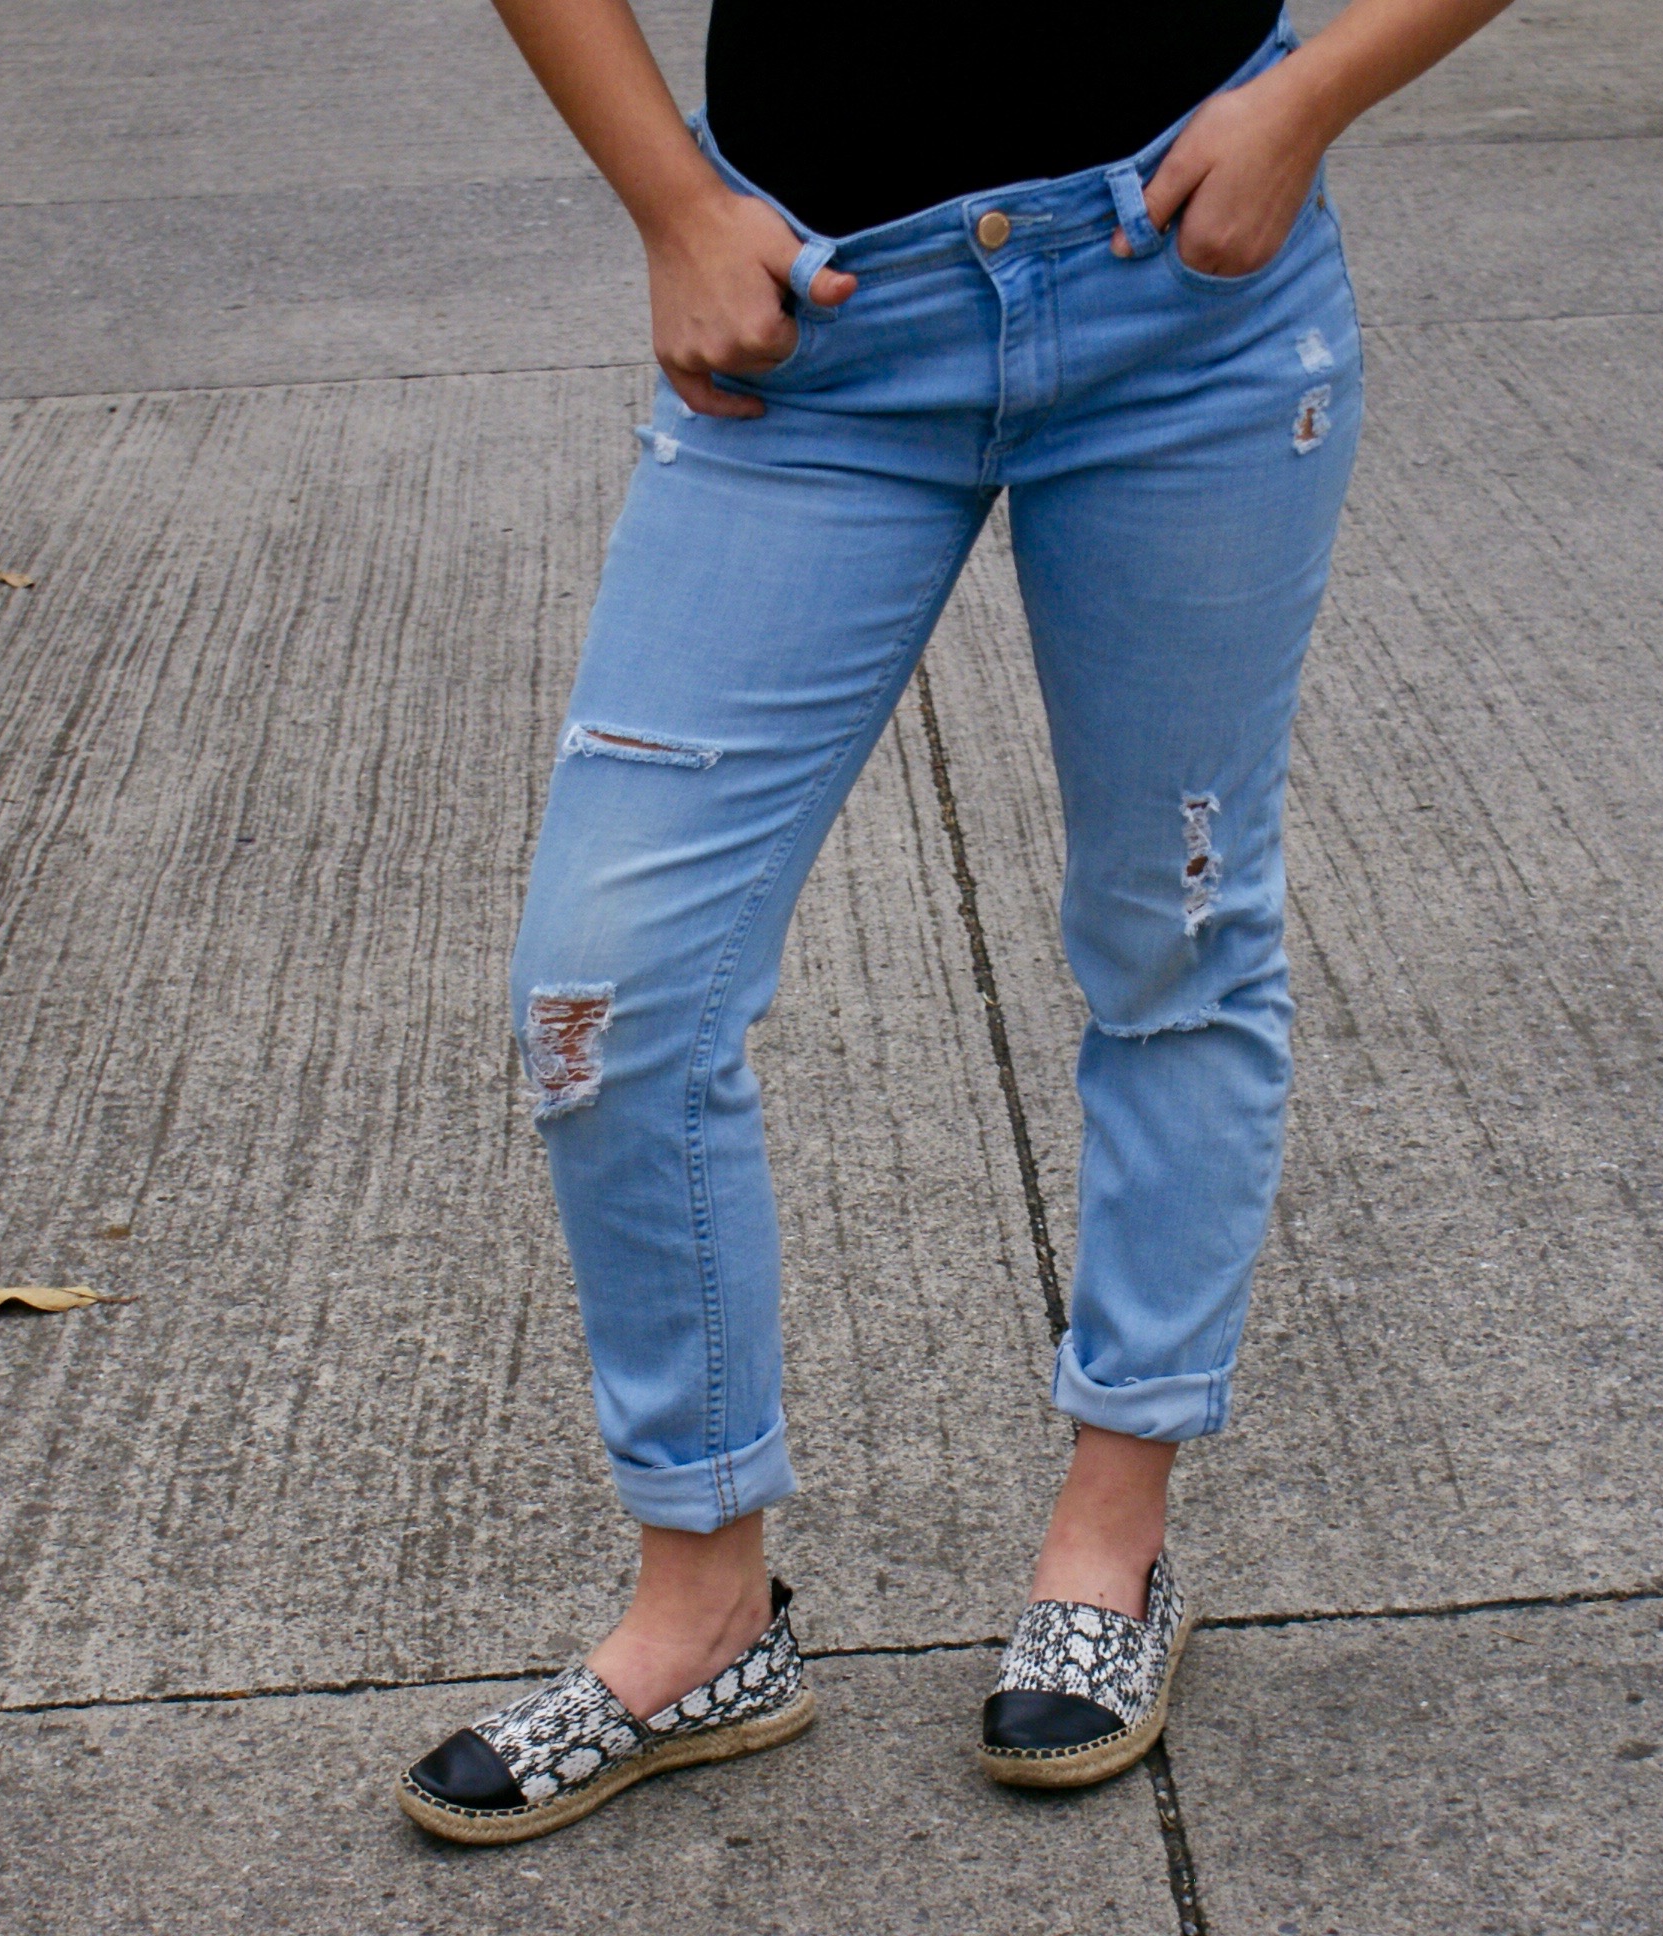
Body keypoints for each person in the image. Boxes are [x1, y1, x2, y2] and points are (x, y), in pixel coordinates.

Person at [399, 0, 1514, 1845]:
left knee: (1175, 938)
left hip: (1185, 302)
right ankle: (705, 1609)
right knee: (608, 989)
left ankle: (1112, 1539)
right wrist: (667, 200)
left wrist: (1315, 96)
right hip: (818, 331)